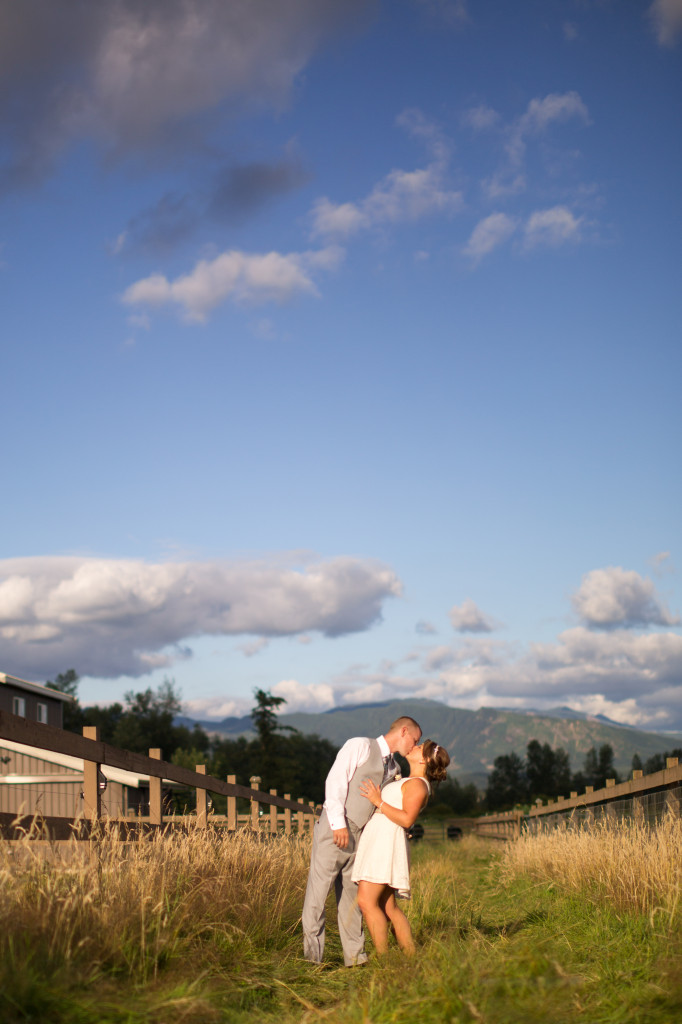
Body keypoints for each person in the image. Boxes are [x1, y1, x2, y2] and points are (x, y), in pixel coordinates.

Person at [301, 716, 422, 967]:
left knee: (351, 901)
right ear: (403, 731)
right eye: (415, 739)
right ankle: (312, 961)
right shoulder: (361, 746)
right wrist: (338, 824)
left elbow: (386, 806)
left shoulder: (395, 769)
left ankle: (355, 959)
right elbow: (335, 782)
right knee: (317, 897)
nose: (414, 745)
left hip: (362, 840)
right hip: (337, 830)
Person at [352, 739, 450, 955]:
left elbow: (406, 820)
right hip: (380, 838)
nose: (414, 747)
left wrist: (378, 801)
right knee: (388, 906)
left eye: (419, 747)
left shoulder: (417, 785)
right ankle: (409, 954)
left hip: (385, 842)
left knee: (366, 901)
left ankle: (383, 957)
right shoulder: (411, 780)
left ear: (423, 759)